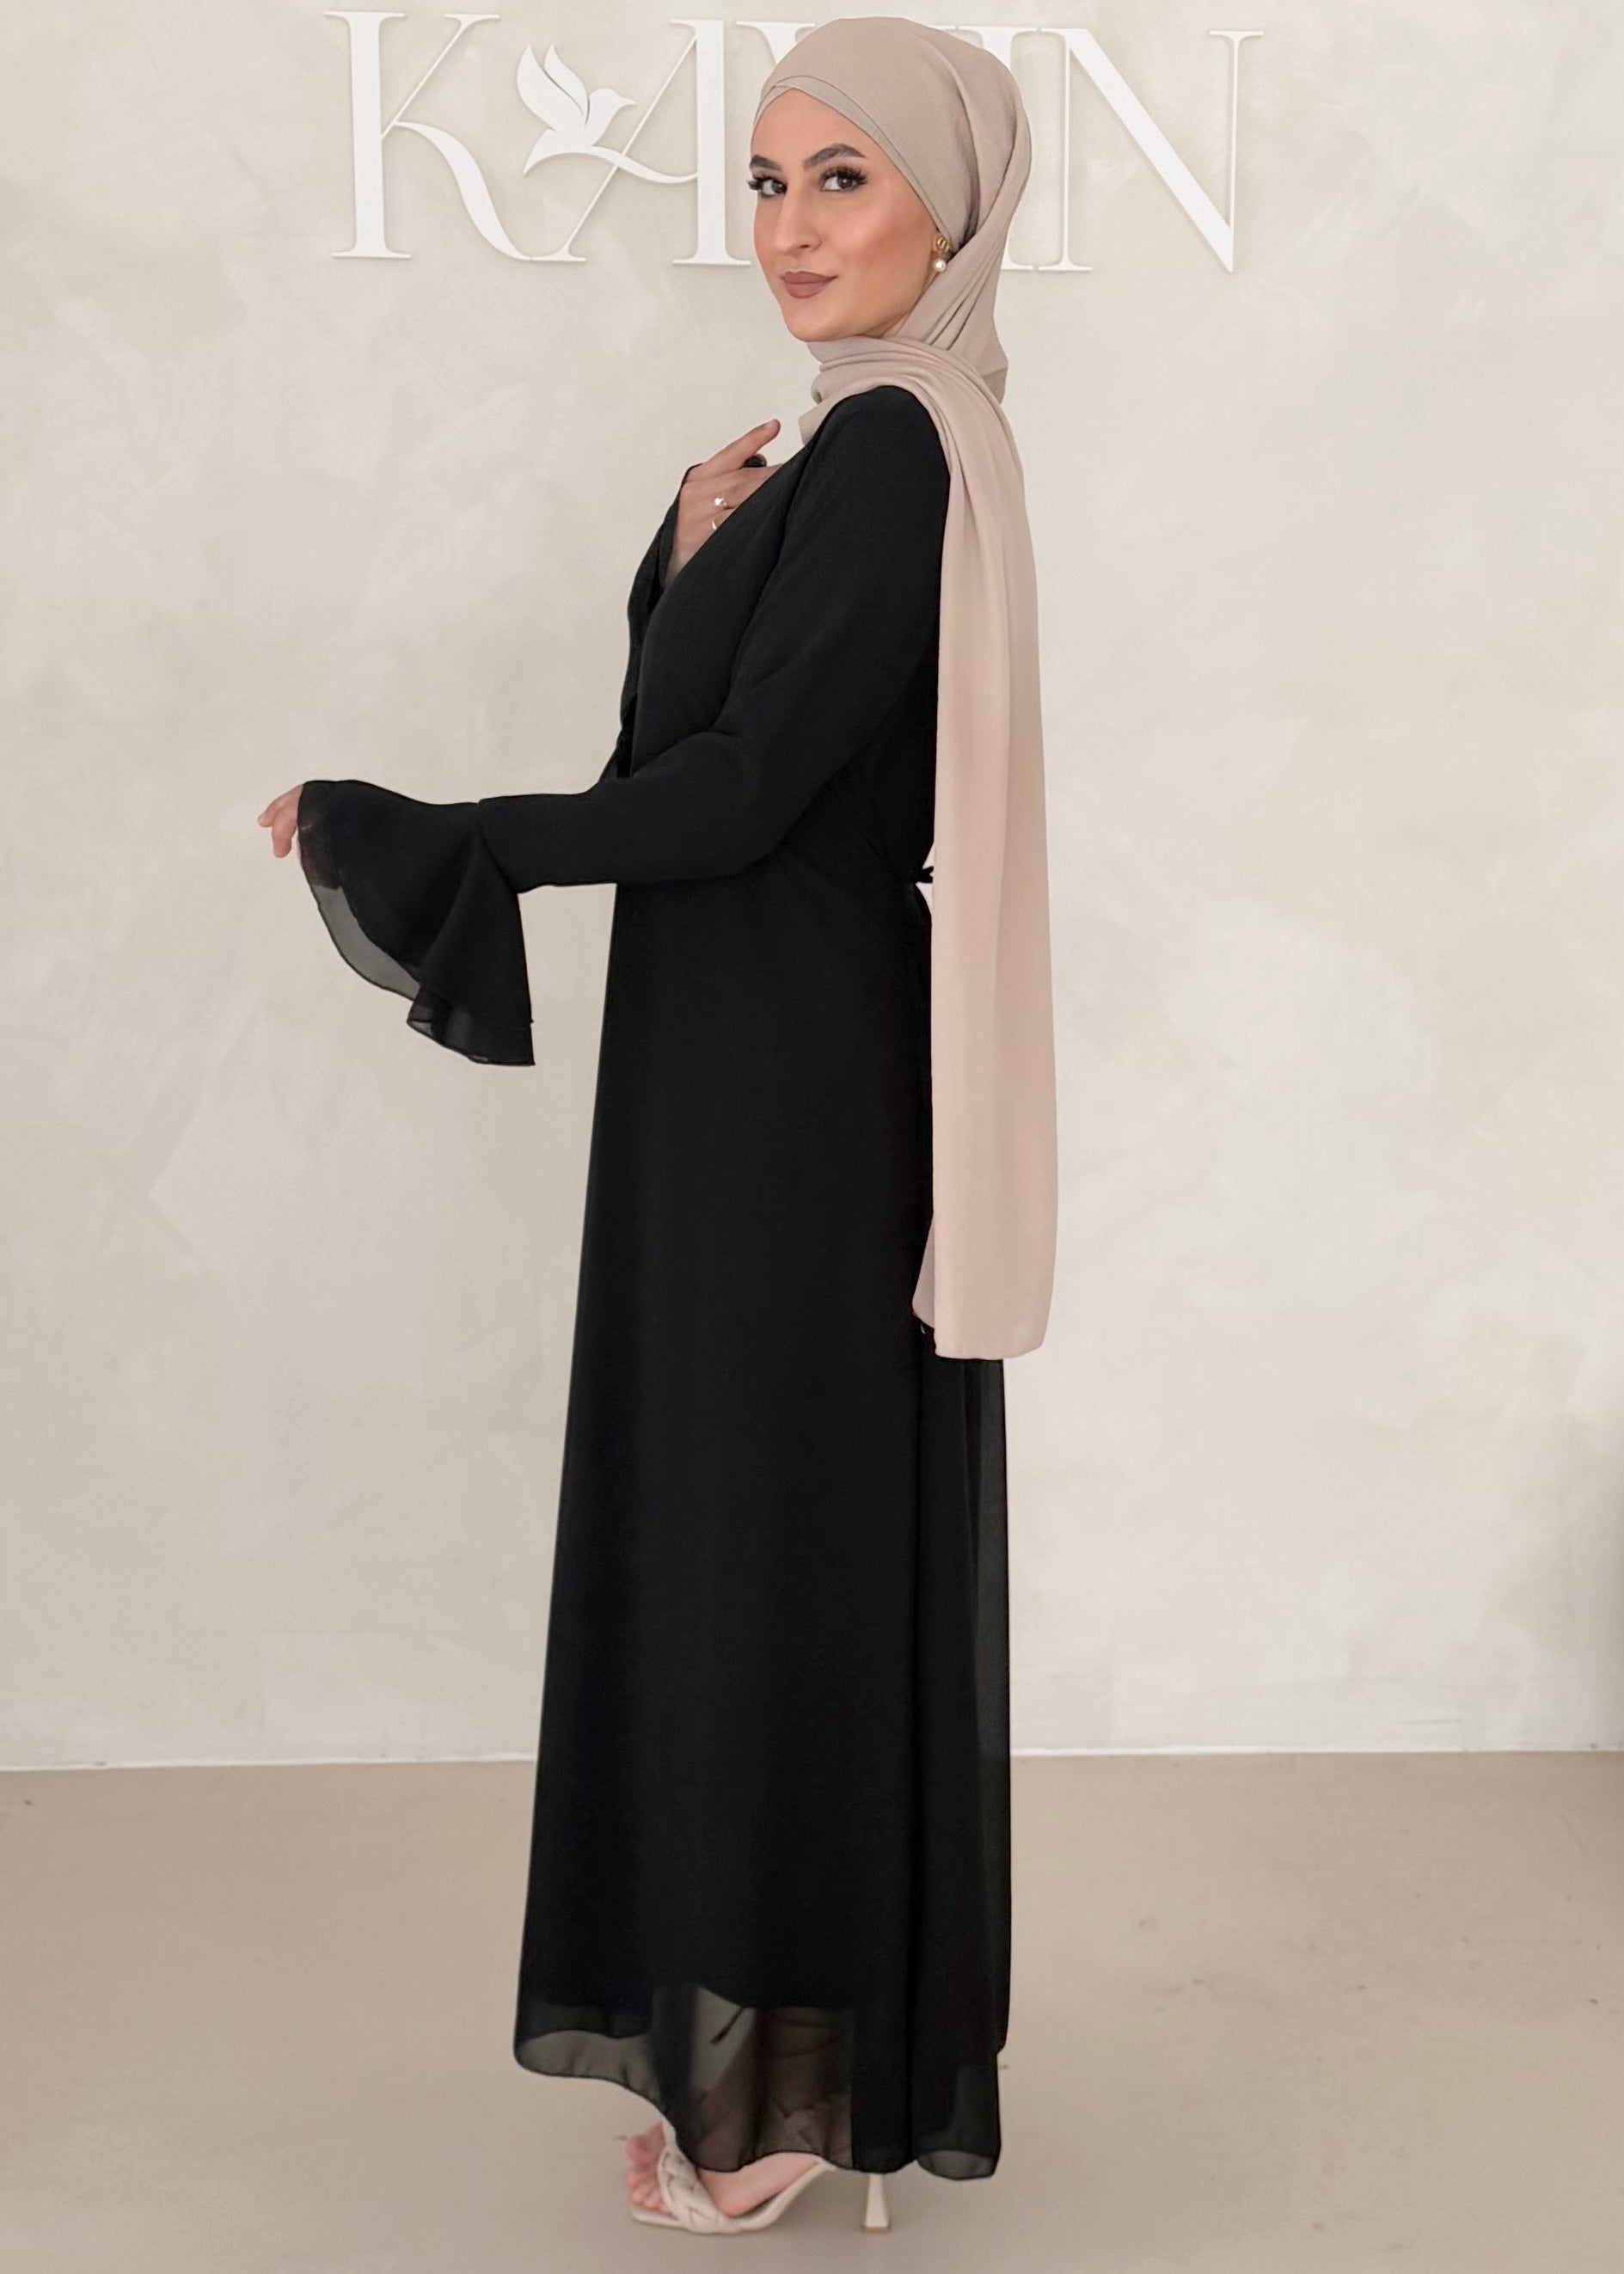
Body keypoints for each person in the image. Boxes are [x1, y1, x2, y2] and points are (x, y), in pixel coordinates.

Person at [258, 14, 1055, 2237]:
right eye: (768, 180)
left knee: (771, 1545)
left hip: (792, 1082)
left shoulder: (895, 448)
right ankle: (796, 2065)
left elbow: (727, 801)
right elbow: (701, 762)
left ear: (948, 211)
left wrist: (442, 835)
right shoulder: (847, 446)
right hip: (738, 1057)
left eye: (843, 180)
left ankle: (794, 2096)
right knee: (742, 1532)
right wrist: (688, 554)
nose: (789, 227)